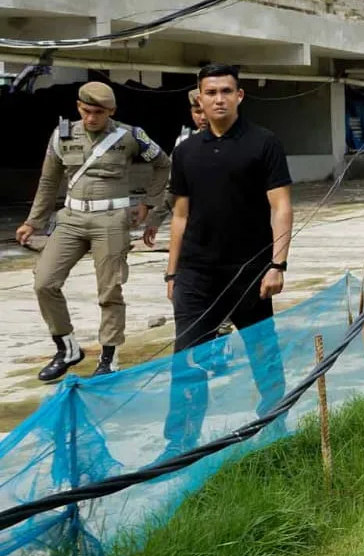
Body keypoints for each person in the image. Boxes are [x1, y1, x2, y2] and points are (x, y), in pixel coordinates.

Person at [161, 64, 292, 458]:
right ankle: (179, 443)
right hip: (196, 273)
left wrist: (277, 264)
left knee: (264, 354)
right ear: (199, 99)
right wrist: (172, 270)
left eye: (226, 91)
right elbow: (180, 215)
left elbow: (281, 206)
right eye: (211, 92)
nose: (218, 98)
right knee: (187, 358)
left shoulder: (263, 143)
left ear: (239, 96)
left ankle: (274, 425)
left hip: (250, 273)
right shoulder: (185, 152)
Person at [17, 81, 169, 380]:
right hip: (71, 218)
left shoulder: (130, 136)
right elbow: (48, 183)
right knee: (44, 282)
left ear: (111, 111)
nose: (90, 118)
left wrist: (149, 204)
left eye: (98, 112)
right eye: (86, 111)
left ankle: (109, 356)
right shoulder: (62, 136)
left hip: (111, 220)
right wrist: (33, 221)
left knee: (109, 290)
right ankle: (67, 347)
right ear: (78, 107)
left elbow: (163, 165)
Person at [142, 89, 207, 247]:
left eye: (206, 111)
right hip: (194, 224)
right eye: (198, 112)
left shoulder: (242, 141)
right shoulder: (184, 144)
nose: (203, 117)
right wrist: (155, 220)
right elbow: (172, 186)